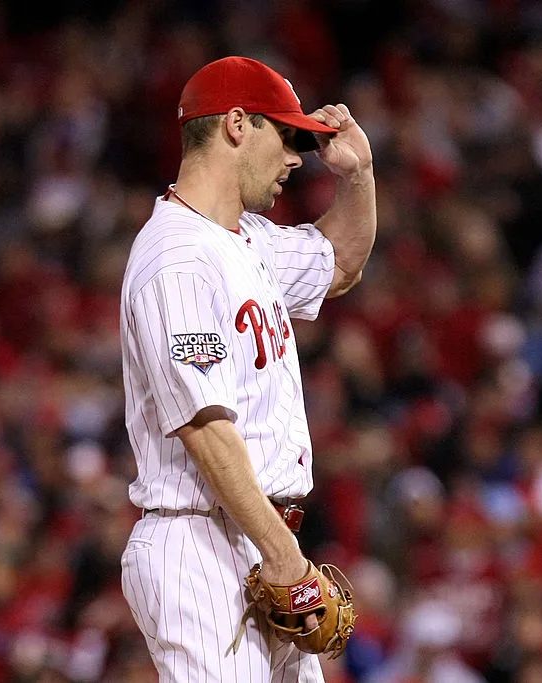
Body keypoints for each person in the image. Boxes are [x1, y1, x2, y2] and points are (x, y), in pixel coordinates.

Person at [118, 55, 375, 682]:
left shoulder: (244, 240)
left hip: (256, 535)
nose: (296, 157)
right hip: (200, 543)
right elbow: (206, 429)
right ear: (237, 124)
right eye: (286, 136)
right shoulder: (179, 260)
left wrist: (360, 177)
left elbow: (341, 264)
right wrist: (286, 558)